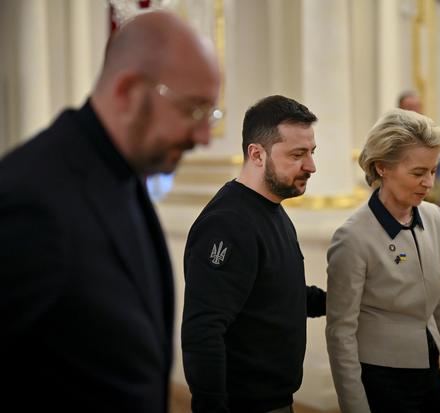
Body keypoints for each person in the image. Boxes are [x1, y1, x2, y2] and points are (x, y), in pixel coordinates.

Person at [0, 11, 221, 412]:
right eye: (194, 110)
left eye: (210, 114)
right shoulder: (30, 199)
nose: (204, 137)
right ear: (129, 92)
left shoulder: (122, 172)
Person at [182, 95, 327, 413]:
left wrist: (336, 300)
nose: (311, 166)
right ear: (257, 154)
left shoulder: (271, 209)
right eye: (298, 154)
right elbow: (203, 329)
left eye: (312, 152)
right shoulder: (228, 223)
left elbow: (272, 293)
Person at [326, 109, 440, 413]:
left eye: (433, 171)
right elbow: (340, 332)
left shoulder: (433, 217)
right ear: (382, 168)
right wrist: (354, 407)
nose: (429, 183)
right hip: (381, 378)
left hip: (429, 368)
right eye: (418, 173)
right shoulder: (352, 237)